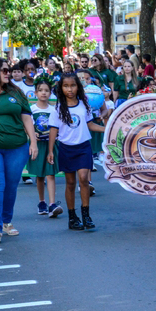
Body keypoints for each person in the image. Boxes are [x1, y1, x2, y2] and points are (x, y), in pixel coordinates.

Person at [0, 58, 39, 245]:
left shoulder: (16, 92)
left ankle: (6, 222)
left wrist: (33, 142)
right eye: (4, 70)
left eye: (9, 70)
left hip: (17, 147)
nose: (9, 73)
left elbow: (26, 118)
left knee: (11, 186)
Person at [47, 73, 105, 231]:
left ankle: (86, 215)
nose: (69, 89)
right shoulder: (58, 108)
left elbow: (90, 125)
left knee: (84, 178)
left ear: (78, 87)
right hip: (66, 148)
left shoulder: (84, 105)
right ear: (61, 88)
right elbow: (53, 130)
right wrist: (50, 151)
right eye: (66, 86)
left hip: (83, 146)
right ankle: (72, 218)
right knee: (70, 183)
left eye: (72, 85)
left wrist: (107, 129)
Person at [28, 76, 63, 218]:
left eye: (46, 90)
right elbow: (27, 125)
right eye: (40, 90)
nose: (43, 93)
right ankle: (42, 202)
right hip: (38, 145)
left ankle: (52, 204)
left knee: (50, 174)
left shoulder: (54, 110)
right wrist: (32, 135)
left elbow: (58, 127)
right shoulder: (32, 109)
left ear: (50, 93)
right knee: (40, 175)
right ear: (35, 93)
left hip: (51, 145)